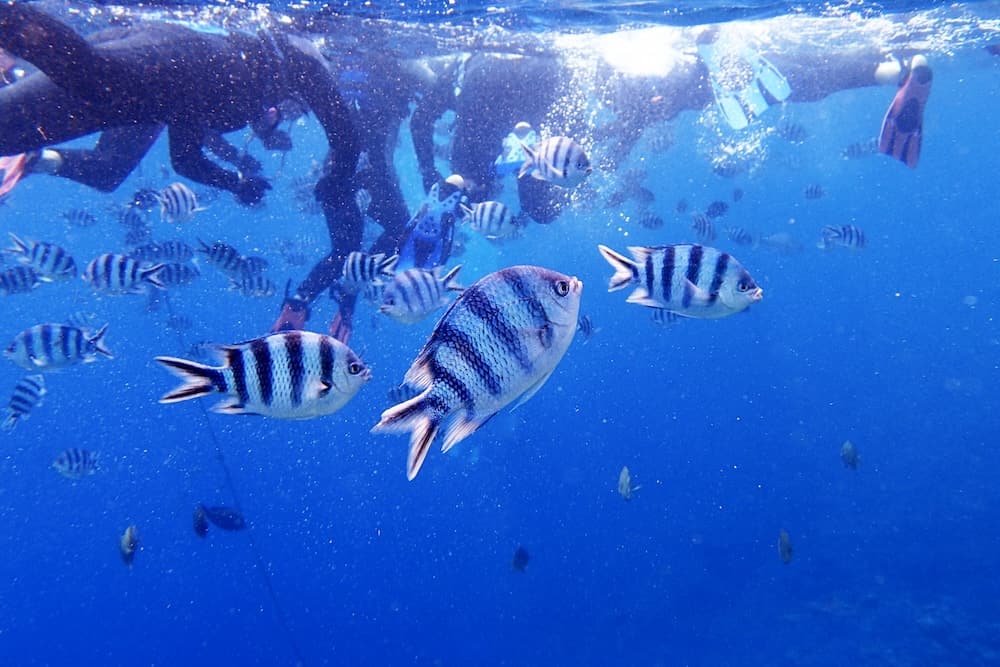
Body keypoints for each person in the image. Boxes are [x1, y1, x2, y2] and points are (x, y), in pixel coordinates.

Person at [0, 3, 357, 212]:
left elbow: (185, 160)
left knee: (100, 166)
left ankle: (35, 157)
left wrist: (236, 183)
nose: (294, 115)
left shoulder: (234, 89)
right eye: (299, 109)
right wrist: (337, 183)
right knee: (93, 77)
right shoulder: (305, 60)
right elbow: (346, 136)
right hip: (164, 61)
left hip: (149, 95)